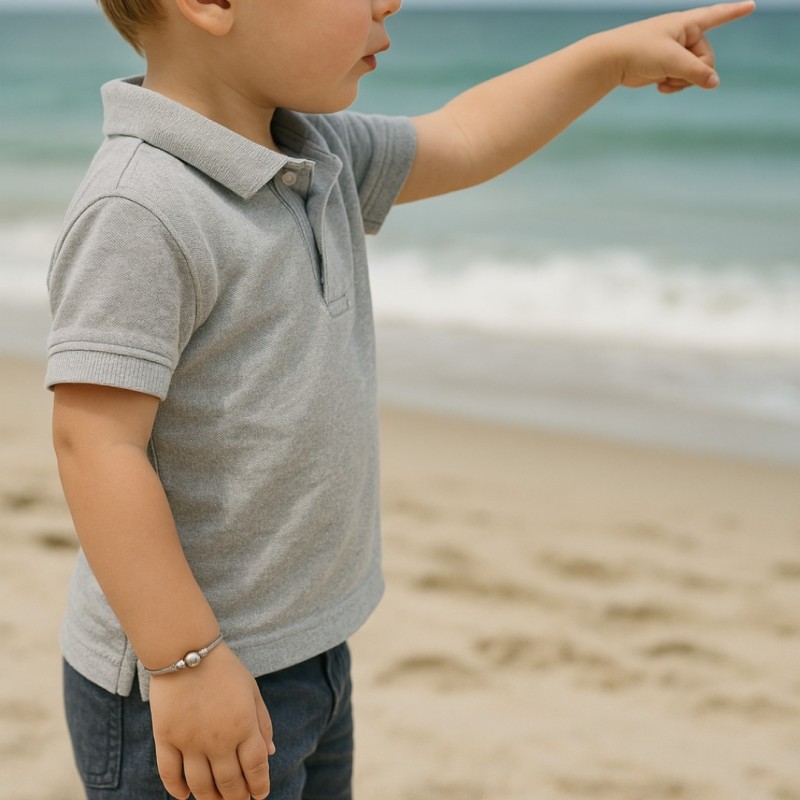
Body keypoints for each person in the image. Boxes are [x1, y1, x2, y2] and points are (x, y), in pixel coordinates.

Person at [47, 1, 756, 798]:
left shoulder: (312, 151)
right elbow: (95, 446)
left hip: (308, 648)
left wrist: (604, 58)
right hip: (186, 677)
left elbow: (465, 135)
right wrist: (187, 661)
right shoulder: (141, 207)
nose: (389, 2)